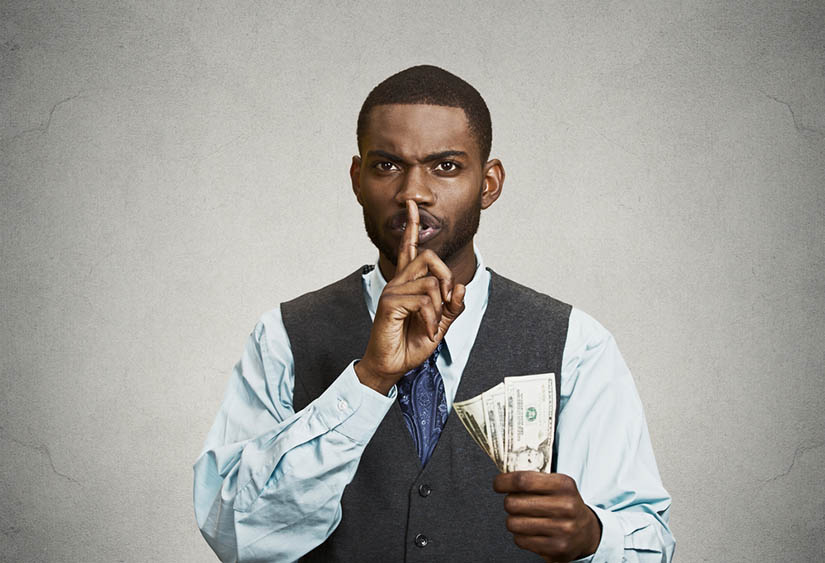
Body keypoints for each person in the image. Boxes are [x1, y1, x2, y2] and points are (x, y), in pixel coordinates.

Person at [193, 65, 675, 562]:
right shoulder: (282, 337)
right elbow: (234, 536)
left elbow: (650, 543)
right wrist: (369, 379)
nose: (413, 193)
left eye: (445, 166)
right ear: (358, 180)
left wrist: (595, 537)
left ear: (489, 184)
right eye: (387, 166)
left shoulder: (575, 344)